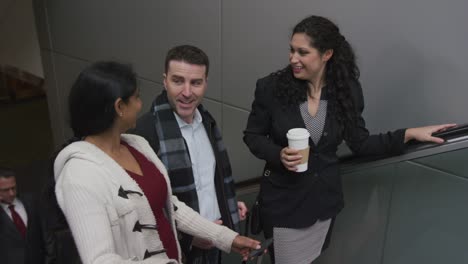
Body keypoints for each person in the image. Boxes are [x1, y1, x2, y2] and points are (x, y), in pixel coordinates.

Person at [243, 15, 455, 264]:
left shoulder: (347, 92)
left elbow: (361, 143)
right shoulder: (271, 88)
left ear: (327, 54)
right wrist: (278, 155)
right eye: (291, 50)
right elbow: (253, 136)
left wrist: (408, 134)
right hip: (284, 205)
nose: (293, 58)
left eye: (303, 52)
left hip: (323, 205)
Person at [53, 61, 260, 264]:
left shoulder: (137, 145)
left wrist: (226, 237)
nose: (141, 104)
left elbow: (171, 206)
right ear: (119, 107)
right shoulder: (79, 175)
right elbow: (100, 260)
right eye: (137, 97)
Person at [133, 45, 247, 263]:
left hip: (214, 242)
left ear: (206, 83)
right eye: (178, 81)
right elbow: (140, 204)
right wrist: (188, 237)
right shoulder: (145, 131)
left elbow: (208, 179)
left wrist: (225, 204)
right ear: (164, 80)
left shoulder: (208, 123)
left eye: (196, 82)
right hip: (172, 250)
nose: (187, 92)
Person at [0, 167, 45, 264]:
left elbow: (45, 233)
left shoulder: (31, 202)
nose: (11, 193)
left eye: (13, 188)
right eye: (5, 190)